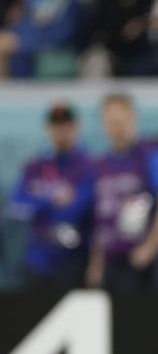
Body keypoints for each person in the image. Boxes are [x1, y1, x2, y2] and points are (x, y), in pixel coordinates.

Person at [87, 93, 158, 293]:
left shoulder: (150, 155)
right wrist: (97, 261)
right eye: (111, 122)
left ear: (132, 118)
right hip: (112, 260)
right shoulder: (102, 165)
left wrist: (151, 245)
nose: (116, 127)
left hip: (142, 260)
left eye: (120, 121)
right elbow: (100, 216)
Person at [8, 103, 93, 292]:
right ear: (48, 128)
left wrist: (63, 202)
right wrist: (50, 199)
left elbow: (84, 205)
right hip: (37, 259)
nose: (61, 130)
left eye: (66, 125)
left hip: (74, 258)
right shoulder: (34, 167)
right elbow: (16, 205)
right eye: (56, 125)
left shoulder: (87, 165)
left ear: (75, 127)